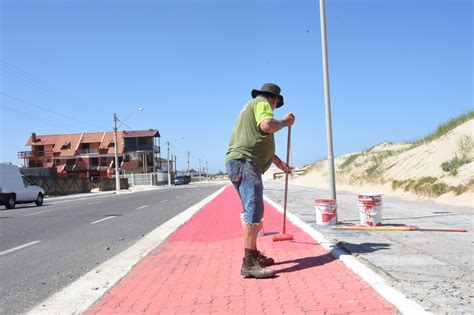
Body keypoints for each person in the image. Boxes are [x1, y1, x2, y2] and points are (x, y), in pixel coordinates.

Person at [226, 83, 295, 278]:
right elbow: (267, 126)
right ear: (273, 100)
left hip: (240, 161)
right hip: (246, 162)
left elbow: (259, 143)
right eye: (275, 105)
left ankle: (253, 254)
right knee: (253, 210)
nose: (273, 109)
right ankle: (249, 262)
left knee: (253, 209)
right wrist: (285, 122)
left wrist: (279, 163)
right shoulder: (262, 103)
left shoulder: (251, 107)